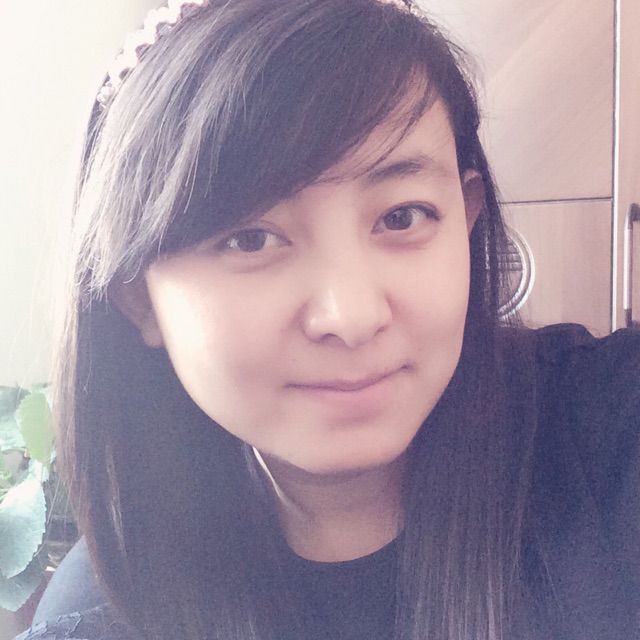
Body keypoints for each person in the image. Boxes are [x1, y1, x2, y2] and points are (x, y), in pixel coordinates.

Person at [16, 0, 640, 639]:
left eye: (401, 216)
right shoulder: (100, 621)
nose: (352, 316)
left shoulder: (610, 432)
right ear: (139, 297)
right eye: (251, 238)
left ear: (465, 214)